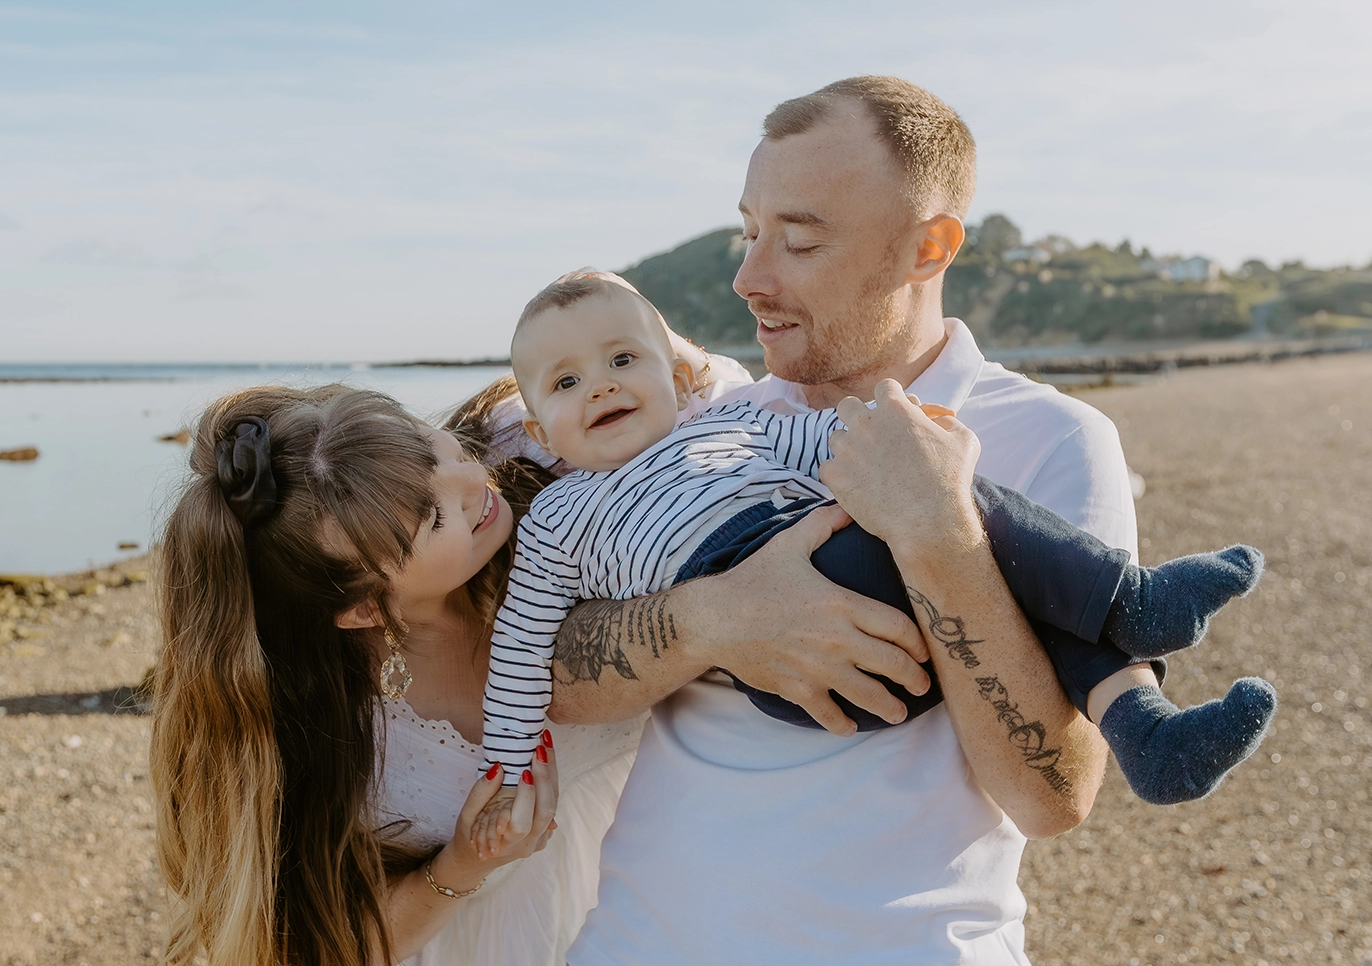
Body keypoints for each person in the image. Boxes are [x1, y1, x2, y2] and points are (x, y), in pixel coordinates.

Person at [524, 76, 1274, 964]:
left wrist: (941, 538)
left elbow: (1053, 795)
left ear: (929, 247)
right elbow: (555, 682)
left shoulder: (1049, 436)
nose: (748, 277)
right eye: (749, 231)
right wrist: (715, 618)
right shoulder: (704, 432)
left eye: (798, 242)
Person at [470, 269, 1273, 845]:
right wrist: (508, 764)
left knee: (943, 497)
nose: (601, 387)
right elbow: (521, 647)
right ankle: (1131, 604)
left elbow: (843, 440)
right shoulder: (556, 520)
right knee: (958, 512)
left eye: (621, 361)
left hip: (874, 598)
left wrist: (919, 461)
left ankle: (1149, 733)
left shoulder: (734, 426)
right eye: (567, 382)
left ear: (678, 378)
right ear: (540, 432)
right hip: (800, 679)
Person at [149, 383, 647, 966]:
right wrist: (465, 862)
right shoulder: (312, 735)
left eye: (432, 453)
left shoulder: (544, 445)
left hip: (665, 879)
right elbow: (315, 947)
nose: (472, 482)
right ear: (362, 609)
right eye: (434, 518)